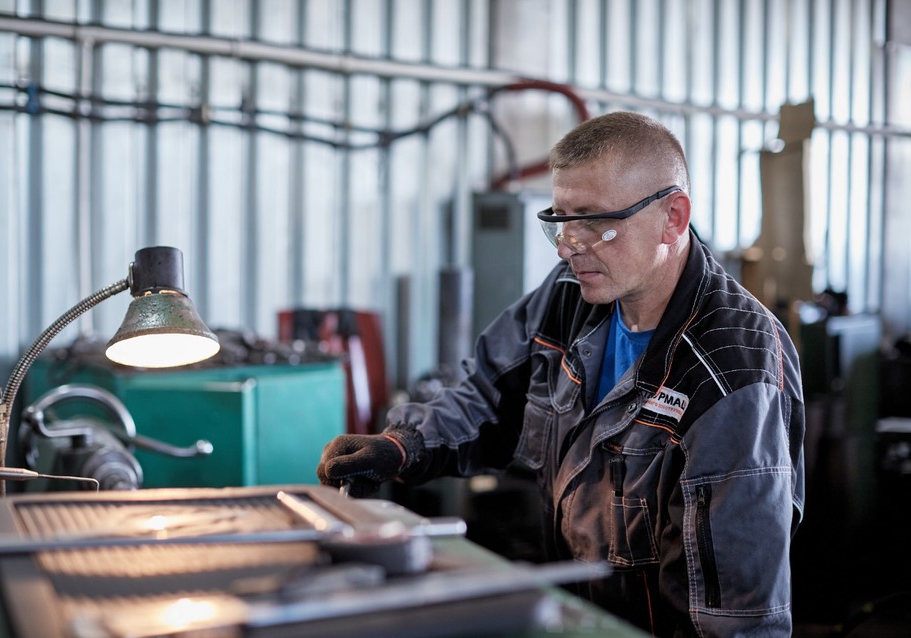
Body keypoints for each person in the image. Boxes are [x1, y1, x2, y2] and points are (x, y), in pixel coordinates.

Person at [317, 111, 805, 636]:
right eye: (561, 218)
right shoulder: (570, 294)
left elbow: (735, 613)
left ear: (673, 216)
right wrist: (403, 444)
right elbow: (487, 393)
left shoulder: (732, 369)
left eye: (595, 221)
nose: (568, 244)